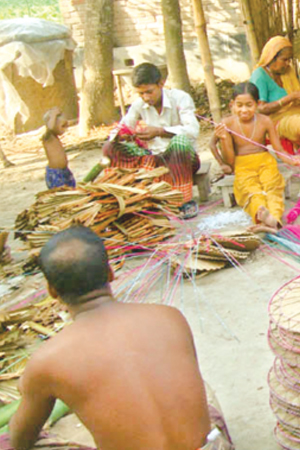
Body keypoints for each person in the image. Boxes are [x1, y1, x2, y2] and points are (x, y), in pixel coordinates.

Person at [9, 226, 234, 450]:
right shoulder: (170, 317)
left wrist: (31, 387)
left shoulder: (45, 362)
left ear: (52, 291)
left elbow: (20, 441)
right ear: (110, 272)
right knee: (205, 393)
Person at [102, 63, 201, 218]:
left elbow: (193, 130)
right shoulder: (139, 104)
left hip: (182, 159)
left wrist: (160, 131)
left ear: (161, 84)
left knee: (180, 142)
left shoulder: (180, 98)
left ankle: (182, 202)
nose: (146, 97)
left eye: (149, 92)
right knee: (110, 147)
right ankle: (125, 197)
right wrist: (122, 135)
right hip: (154, 159)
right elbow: (122, 127)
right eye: (141, 93)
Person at [210, 82, 300, 233]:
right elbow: (213, 146)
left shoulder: (265, 121)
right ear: (232, 105)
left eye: (249, 105)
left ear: (257, 104)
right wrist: (222, 162)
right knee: (252, 190)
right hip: (242, 164)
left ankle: (274, 220)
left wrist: (292, 160)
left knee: (272, 187)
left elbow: (278, 149)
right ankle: (261, 215)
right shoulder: (227, 123)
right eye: (239, 105)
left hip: (265, 161)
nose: (244, 110)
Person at [41, 107, 76, 190]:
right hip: (56, 173)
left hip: (64, 171)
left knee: (70, 191)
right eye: (62, 126)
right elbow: (50, 128)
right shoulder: (48, 136)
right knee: (61, 193)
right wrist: (54, 114)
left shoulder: (55, 137)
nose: (65, 129)